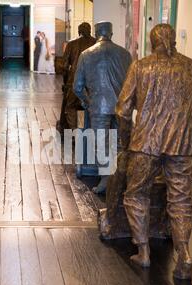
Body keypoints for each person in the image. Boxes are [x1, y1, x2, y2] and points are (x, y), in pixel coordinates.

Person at [116, 24, 192, 280]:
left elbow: (123, 111)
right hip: (181, 147)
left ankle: (144, 251)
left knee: (136, 194)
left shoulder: (140, 66)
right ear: (174, 42)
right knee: (181, 200)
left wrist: (126, 141)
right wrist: (190, 137)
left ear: (152, 42)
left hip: (145, 145)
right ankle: (184, 255)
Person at [73, 21, 132, 194]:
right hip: (122, 107)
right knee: (122, 143)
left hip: (98, 107)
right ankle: (121, 180)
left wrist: (87, 101)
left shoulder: (86, 55)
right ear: (111, 33)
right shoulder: (125, 54)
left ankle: (106, 179)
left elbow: (77, 86)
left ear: (96, 32)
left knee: (101, 143)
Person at [58, 22, 96, 132]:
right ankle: (83, 129)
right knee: (85, 106)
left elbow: (64, 66)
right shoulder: (96, 44)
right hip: (91, 82)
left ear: (79, 31)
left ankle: (76, 131)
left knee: (71, 107)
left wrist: (65, 81)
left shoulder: (72, 44)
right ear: (90, 31)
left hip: (74, 81)